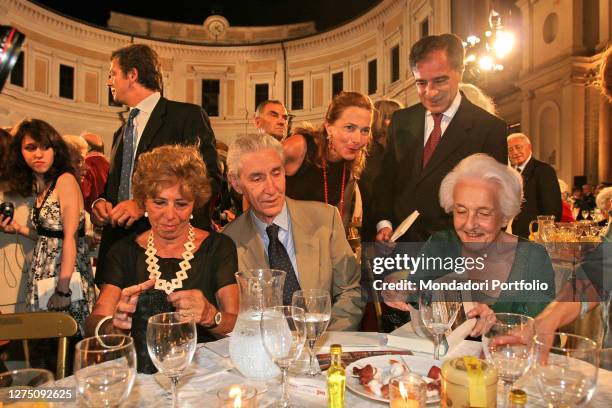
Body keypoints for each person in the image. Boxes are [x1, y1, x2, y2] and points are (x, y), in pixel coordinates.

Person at [92, 43, 221, 281]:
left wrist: (143, 205)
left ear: (132, 75)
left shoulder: (186, 117)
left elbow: (209, 180)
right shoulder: (120, 133)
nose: (109, 81)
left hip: (170, 249)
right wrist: (101, 203)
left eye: (113, 74)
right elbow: (116, 186)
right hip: (120, 252)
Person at [86, 145, 238, 344]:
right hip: (144, 369)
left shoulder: (219, 247)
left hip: (204, 369)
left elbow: (237, 323)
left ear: (195, 203)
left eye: (181, 204)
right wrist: (115, 326)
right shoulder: (124, 252)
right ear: (144, 202)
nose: (170, 215)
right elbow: (93, 322)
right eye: (159, 202)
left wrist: (210, 315)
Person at [384, 154, 556, 318]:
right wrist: (396, 290)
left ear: (505, 217)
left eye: (483, 213)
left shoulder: (533, 258)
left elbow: (540, 332)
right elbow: (412, 301)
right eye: (461, 211)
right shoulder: (441, 245)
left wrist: (496, 321)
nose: (469, 224)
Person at [375, 34, 508, 245]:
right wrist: (384, 224)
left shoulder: (489, 128)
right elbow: (386, 181)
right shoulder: (401, 120)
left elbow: (494, 202)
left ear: (460, 72)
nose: (430, 92)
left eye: (440, 80)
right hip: (400, 250)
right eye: (421, 83)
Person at [223, 134, 364, 330]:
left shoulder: (326, 219)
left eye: (276, 173)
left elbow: (350, 292)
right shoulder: (227, 242)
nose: (271, 188)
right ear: (237, 183)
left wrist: (324, 344)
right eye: (257, 178)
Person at [0, 119, 96, 335]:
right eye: (30, 148)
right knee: (45, 345)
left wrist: (63, 291)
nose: (38, 154)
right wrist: (17, 228)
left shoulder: (65, 181)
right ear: (19, 153)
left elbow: (71, 237)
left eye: (45, 146)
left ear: (56, 149)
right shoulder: (42, 187)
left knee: (68, 344)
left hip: (65, 278)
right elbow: (49, 237)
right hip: (42, 277)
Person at [283, 91, 373, 232]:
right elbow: (253, 178)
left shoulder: (351, 165)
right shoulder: (299, 146)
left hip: (313, 247)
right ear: (329, 127)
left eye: (365, 130)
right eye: (349, 128)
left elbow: (342, 216)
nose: (357, 139)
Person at [359, 99, 403, 241]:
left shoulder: (393, 150)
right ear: (385, 121)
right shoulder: (371, 153)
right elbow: (375, 191)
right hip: (371, 228)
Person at [507, 133, 562, 238]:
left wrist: (544, 236)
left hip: (533, 235)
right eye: (510, 150)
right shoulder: (508, 173)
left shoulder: (544, 170)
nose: (514, 152)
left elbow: (552, 209)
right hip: (510, 234)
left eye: (518, 147)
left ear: (529, 147)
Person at [80, 132, 110, 214]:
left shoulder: (84, 166)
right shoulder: (112, 166)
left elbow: (81, 196)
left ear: (86, 148)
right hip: (109, 216)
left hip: (91, 217)